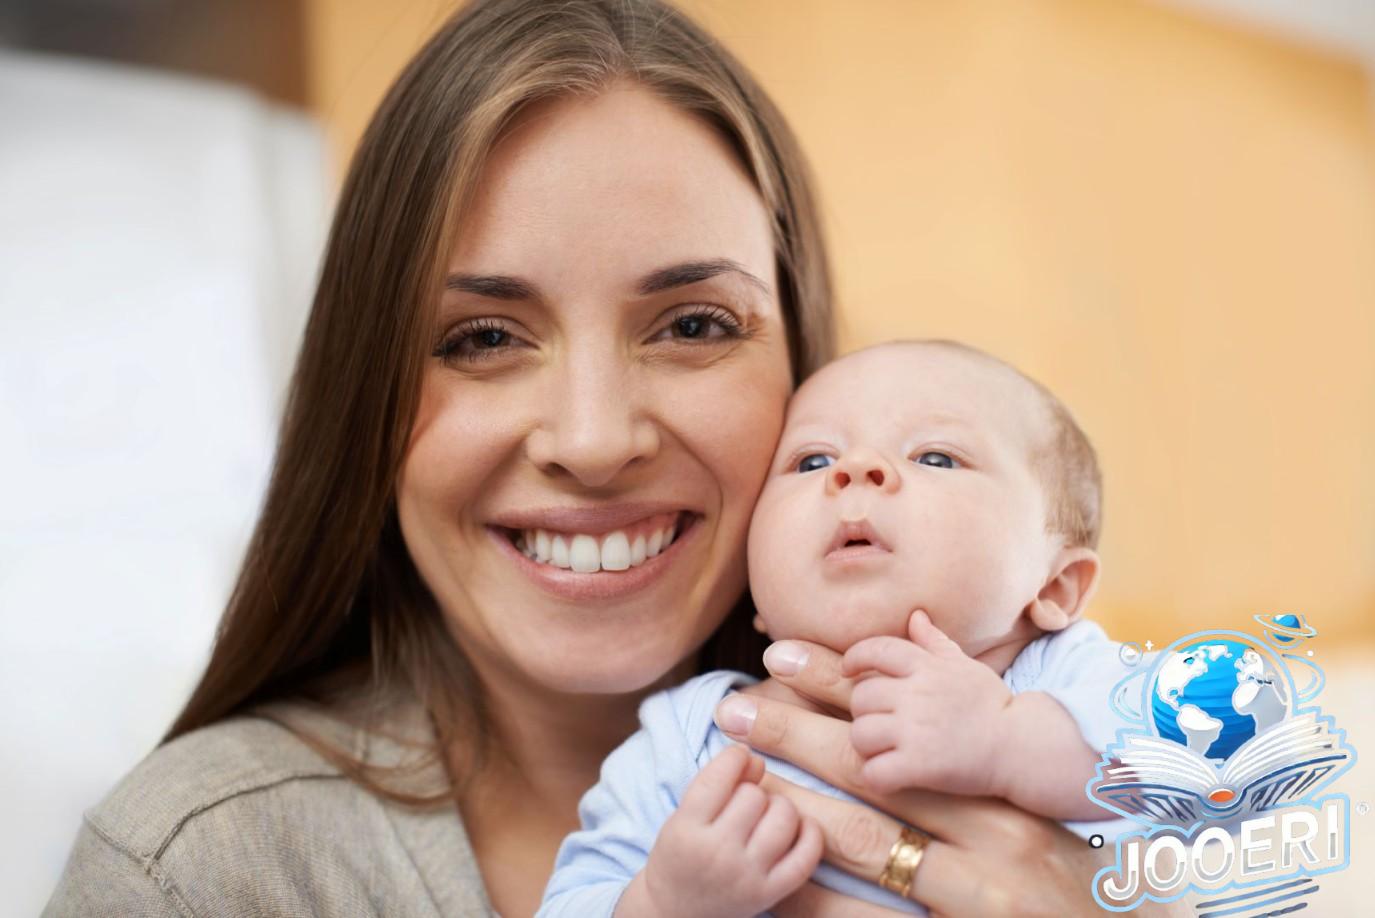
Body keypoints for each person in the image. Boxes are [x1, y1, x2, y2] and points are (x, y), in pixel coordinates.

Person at [43, 2, 1184, 915]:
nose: (592, 442)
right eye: (482, 339)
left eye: (693, 324)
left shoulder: (1068, 704)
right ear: (367, 397)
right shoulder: (193, 874)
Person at [539, 340, 1138, 916]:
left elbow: (1213, 771)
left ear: (1056, 587)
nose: (855, 469)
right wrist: (664, 903)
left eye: (935, 456)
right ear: (757, 594)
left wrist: (1009, 741)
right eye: (812, 460)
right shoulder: (689, 740)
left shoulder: (1066, 679)